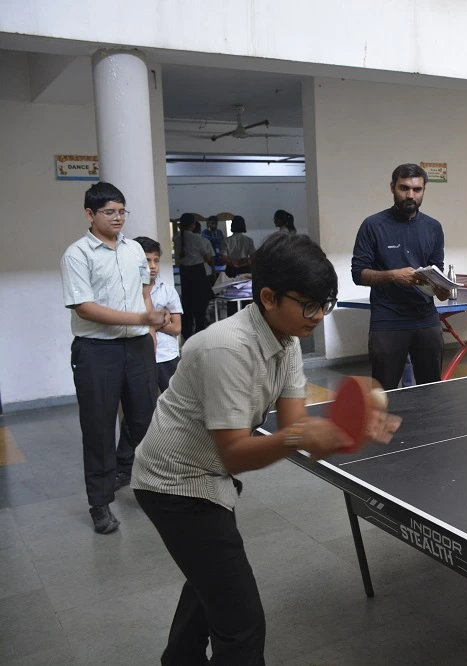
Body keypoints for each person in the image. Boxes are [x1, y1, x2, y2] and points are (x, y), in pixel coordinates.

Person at [132, 232, 399, 664]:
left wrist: (344, 430)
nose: (319, 315)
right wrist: (303, 436)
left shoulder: (287, 340)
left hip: (210, 475)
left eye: (325, 304)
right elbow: (238, 452)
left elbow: (294, 427)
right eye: (310, 304)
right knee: (241, 621)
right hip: (173, 484)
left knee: (208, 584)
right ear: (269, 297)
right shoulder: (226, 348)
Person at [59, 181, 170, 534]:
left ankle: (126, 467)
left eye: (122, 211)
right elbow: (85, 308)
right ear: (90, 215)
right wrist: (141, 320)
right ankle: (100, 503)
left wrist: (150, 332)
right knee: (98, 427)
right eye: (110, 212)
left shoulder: (135, 251)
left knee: (145, 420)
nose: (118, 218)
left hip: (137, 347)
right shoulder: (77, 254)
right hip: (97, 351)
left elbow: (144, 294)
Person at [351, 163, 450, 389]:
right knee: (383, 392)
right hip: (387, 319)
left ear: (424, 190)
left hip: (426, 317)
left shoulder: (433, 227)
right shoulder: (372, 225)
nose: (410, 195)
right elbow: (358, 274)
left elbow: (437, 271)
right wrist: (394, 276)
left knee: (432, 388)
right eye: (404, 188)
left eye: (417, 190)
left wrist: (442, 290)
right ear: (392, 187)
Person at [115, 236, 184, 488]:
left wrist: (156, 322)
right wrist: (155, 318)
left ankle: (179, 461)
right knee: (135, 414)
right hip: (139, 359)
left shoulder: (167, 290)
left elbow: (176, 328)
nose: (153, 266)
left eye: (156, 260)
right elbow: (128, 322)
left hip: (167, 358)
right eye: (147, 261)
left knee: (176, 409)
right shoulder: (129, 292)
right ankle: (124, 467)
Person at [174, 213, 215, 338]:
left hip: (184, 272)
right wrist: (212, 267)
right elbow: (208, 257)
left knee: (187, 301)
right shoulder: (197, 239)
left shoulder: (176, 238)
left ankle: (186, 332)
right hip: (197, 271)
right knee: (200, 302)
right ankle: (200, 330)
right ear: (192, 225)